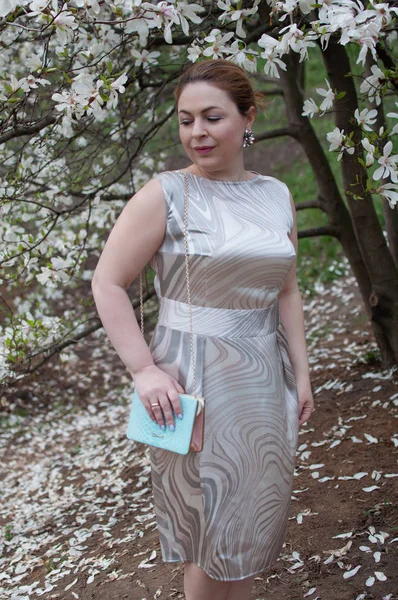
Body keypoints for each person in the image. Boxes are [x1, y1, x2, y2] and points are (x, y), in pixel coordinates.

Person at [91, 58, 314, 600]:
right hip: (193, 379)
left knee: (250, 529)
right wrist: (144, 370)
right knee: (210, 533)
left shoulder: (276, 195)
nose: (197, 133)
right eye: (186, 120)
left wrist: (302, 375)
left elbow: (285, 290)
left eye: (212, 117)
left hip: (263, 380)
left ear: (247, 116)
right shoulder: (164, 194)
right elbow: (108, 282)